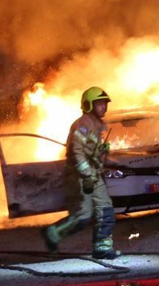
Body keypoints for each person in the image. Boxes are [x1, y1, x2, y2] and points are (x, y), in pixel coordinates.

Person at [41, 86, 120, 259]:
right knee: (82, 217)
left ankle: (102, 248)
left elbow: (91, 151)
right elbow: (76, 151)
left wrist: (103, 152)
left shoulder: (98, 124)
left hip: (94, 175)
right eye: (99, 104)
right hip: (80, 177)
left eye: (104, 103)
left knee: (105, 210)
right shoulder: (83, 124)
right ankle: (53, 232)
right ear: (88, 105)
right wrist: (86, 175)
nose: (103, 107)